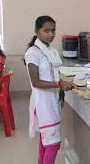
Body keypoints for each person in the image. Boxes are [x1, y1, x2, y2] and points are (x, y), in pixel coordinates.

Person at [24, 16, 73, 164]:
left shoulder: (50, 50)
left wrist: (61, 84)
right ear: (37, 31)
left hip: (51, 100)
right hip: (43, 103)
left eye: (53, 30)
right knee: (53, 144)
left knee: (45, 141)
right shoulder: (33, 52)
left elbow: (53, 72)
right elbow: (36, 82)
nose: (51, 34)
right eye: (46, 30)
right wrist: (59, 84)